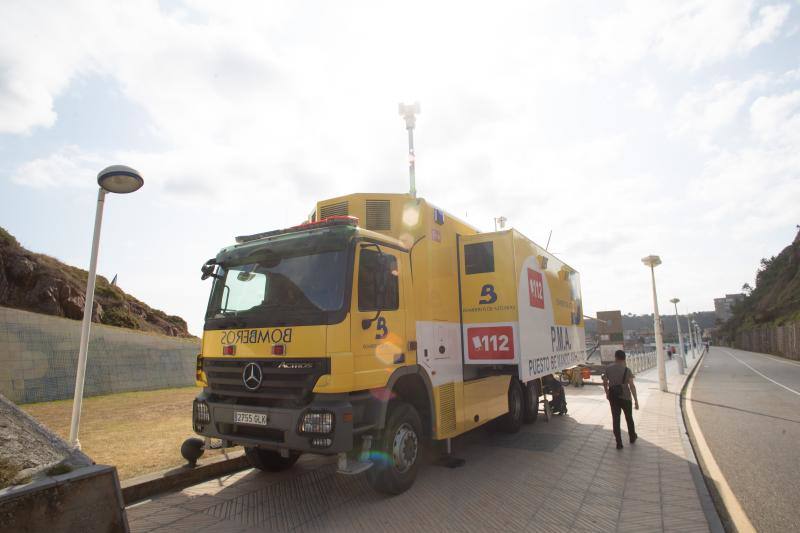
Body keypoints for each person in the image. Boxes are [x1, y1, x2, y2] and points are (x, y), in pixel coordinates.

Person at [602, 350, 639, 449]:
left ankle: (619, 442)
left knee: (616, 419)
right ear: (624, 359)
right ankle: (632, 437)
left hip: (613, 397)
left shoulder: (608, 368)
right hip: (626, 397)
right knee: (629, 418)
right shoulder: (627, 370)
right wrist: (636, 400)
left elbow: (605, 382)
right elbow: (632, 386)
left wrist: (607, 393)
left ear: (615, 357)